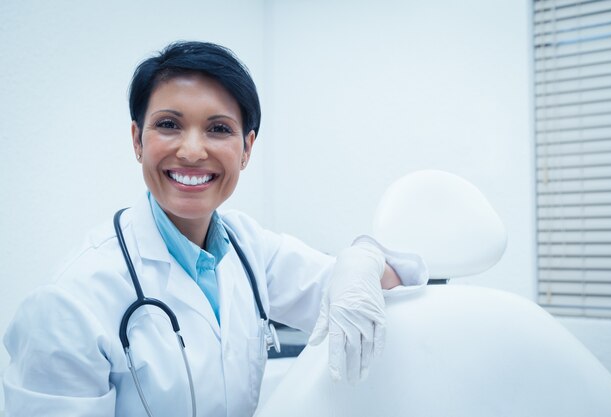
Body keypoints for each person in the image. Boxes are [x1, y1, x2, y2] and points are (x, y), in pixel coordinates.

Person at [2, 41, 428, 417]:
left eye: (219, 129)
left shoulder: (249, 247)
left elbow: (384, 292)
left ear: (246, 149)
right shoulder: (69, 302)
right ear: (137, 140)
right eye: (169, 124)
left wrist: (361, 258)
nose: (191, 150)